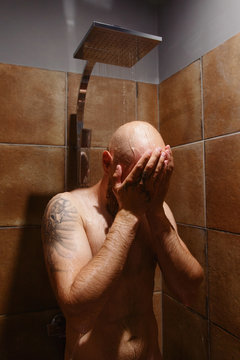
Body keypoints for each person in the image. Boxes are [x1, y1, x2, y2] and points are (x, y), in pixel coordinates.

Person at [42, 121, 204, 360]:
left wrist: (156, 210)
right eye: (140, 176)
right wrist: (128, 215)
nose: (146, 187)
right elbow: (78, 312)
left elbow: (190, 292)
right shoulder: (68, 208)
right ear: (108, 164)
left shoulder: (155, 206)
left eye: (156, 177)